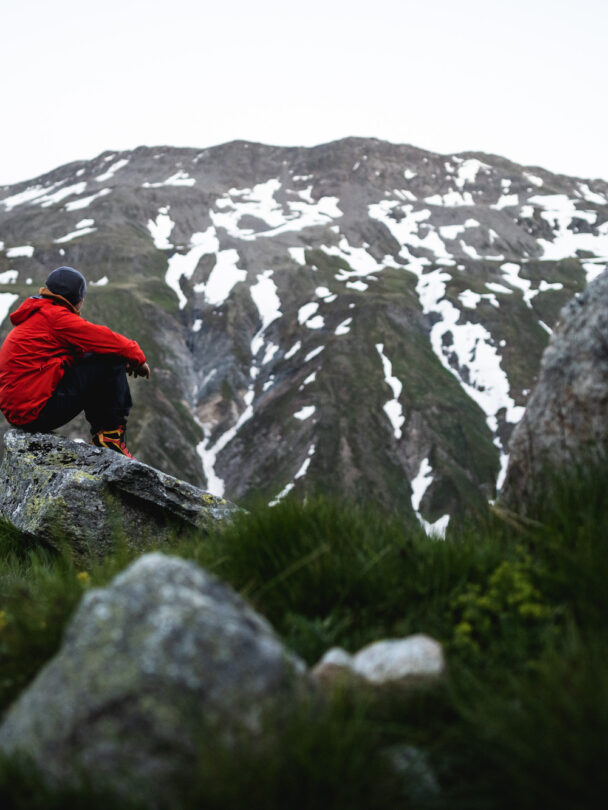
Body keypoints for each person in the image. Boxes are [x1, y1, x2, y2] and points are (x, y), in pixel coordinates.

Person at [0, 266, 150, 458]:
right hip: (35, 413)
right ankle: (110, 437)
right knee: (111, 360)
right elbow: (108, 340)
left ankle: (104, 436)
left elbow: (72, 355)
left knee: (99, 357)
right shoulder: (57, 318)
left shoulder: (40, 314)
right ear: (78, 300)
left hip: (20, 412)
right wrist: (137, 358)